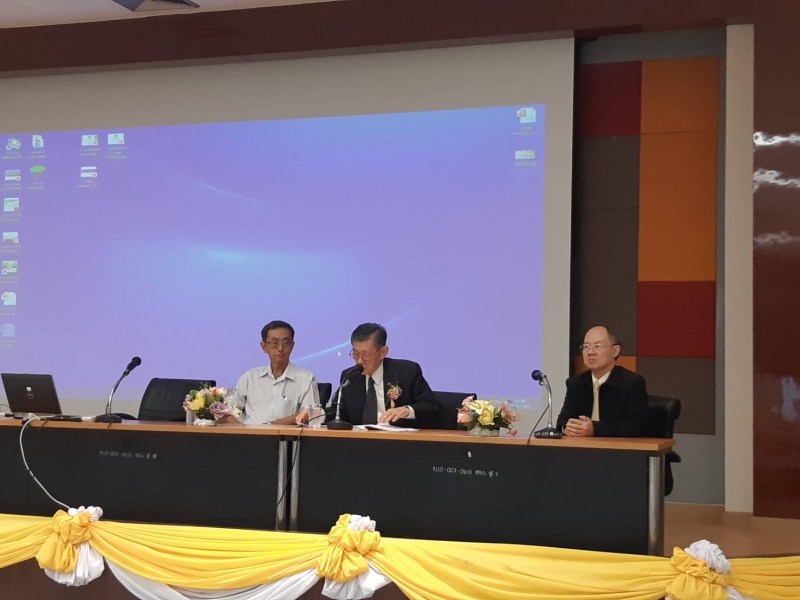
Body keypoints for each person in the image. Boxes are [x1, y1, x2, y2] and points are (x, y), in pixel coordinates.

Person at [296, 322, 440, 426]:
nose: (359, 361)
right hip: (360, 445)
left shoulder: (406, 371)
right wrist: (316, 414)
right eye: (355, 354)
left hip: (401, 444)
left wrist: (407, 410)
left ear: (383, 352)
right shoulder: (350, 376)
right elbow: (339, 412)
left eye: (365, 355)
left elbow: (431, 405)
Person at [556, 325, 648, 437]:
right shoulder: (576, 383)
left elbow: (636, 426)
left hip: (617, 446)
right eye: (586, 346)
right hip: (581, 446)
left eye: (597, 346)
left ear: (615, 351)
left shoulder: (632, 382)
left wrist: (595, 430)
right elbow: (562, 422)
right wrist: (567, 428)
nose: (590, 352)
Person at [226, 320, 320, 425]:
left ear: (292, 346)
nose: (280, 348)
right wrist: (242, 430)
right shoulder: (250, 377)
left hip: (284, 434)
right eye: (275, 343)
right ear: (264, 346)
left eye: (286, 343)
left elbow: (310, 413)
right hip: (247, 433)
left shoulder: (305, 378)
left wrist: (270, 427)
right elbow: (228, 412)